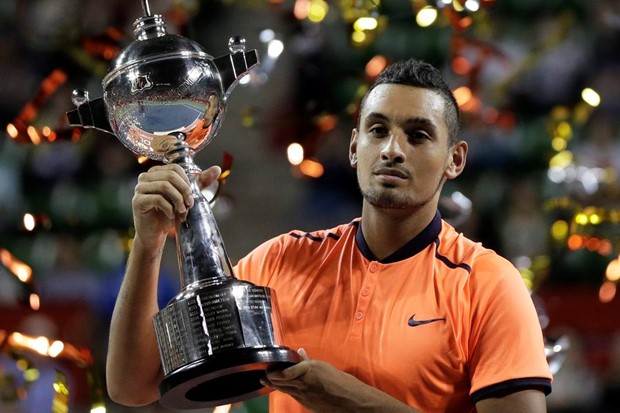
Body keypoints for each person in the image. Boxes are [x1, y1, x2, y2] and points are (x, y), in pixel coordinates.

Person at [106, 58, 552, 413]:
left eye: (417, 135)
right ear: (355, 147)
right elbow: (134, 386)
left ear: (455, 160)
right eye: (378, 130)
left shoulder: (488, 284)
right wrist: (148, 244)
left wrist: (350, 401)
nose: (392, 150)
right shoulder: (280, 262)